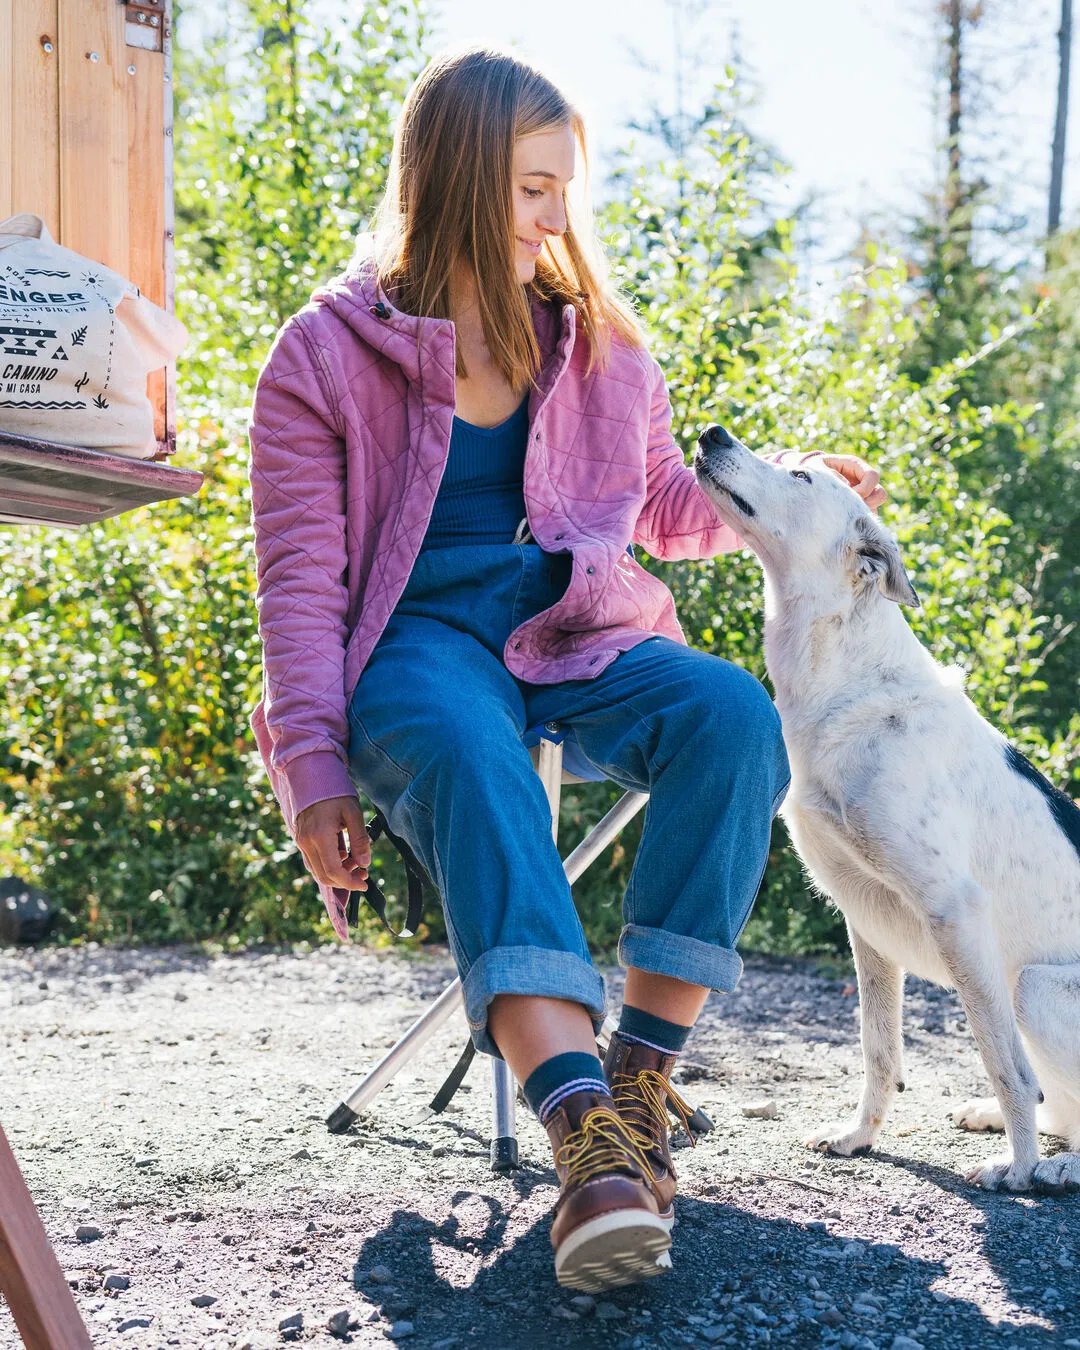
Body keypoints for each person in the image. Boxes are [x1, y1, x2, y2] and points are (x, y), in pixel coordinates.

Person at [247, 46, 886, 1293]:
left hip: (579, 629)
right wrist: (312, 763)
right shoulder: (324, 355)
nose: (555, 219)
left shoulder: (599, 343)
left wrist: (792, 491)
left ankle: (636, 1090)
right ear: (459, 182)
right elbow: (300, 587)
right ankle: (579, 1136)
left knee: (728, 717)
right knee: (471, 754)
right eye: (534, 188)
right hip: (420, 649)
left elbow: (654, 503)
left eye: (563, 191)